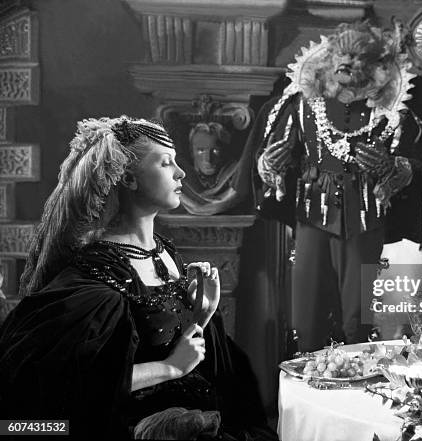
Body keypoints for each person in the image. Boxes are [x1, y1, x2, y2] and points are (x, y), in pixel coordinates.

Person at [0, 117, 277, 440]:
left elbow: (166, 337)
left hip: (196, 412)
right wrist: (169, 368)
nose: (180, 173)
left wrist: (202, 312)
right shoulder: (95, 277)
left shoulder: (165, 253)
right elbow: (70, 385)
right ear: (129, 178)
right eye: (165, 163)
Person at [233, 22, 422, 351]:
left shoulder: (391, 114)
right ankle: (309, 372)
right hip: (311, 212)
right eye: (341, 54)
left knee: (357, 313)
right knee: (306, 309)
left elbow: (415, 162)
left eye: (357, 56)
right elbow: (269, 161)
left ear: (376, 68)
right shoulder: (300, 106)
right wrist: (271, 165)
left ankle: (357, 367)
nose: (346, 62)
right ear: (327, 59)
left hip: (365, 214)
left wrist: (394, 169)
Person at [181, 122, 241, 215]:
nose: (208, 159)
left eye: (215, 150)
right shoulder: (181, 179)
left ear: (224, 152)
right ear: (192, 152)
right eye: (201, 151)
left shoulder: (237, 175)